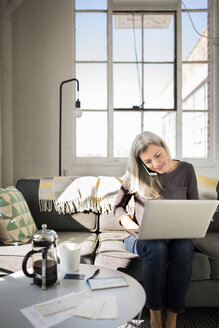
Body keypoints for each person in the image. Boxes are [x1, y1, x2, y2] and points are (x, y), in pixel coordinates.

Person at [114, 131, 198, 328]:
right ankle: (155, 314)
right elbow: (118, 207)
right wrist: (133, 227)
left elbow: (194, 208)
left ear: (164, 147)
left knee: (184, 248)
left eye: (158, 155)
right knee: (157, 246)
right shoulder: (136, 175)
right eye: (148, 161)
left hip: (178, 236)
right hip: (144, 238)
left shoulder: (186, 170)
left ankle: (172, 316)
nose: (155, 163)